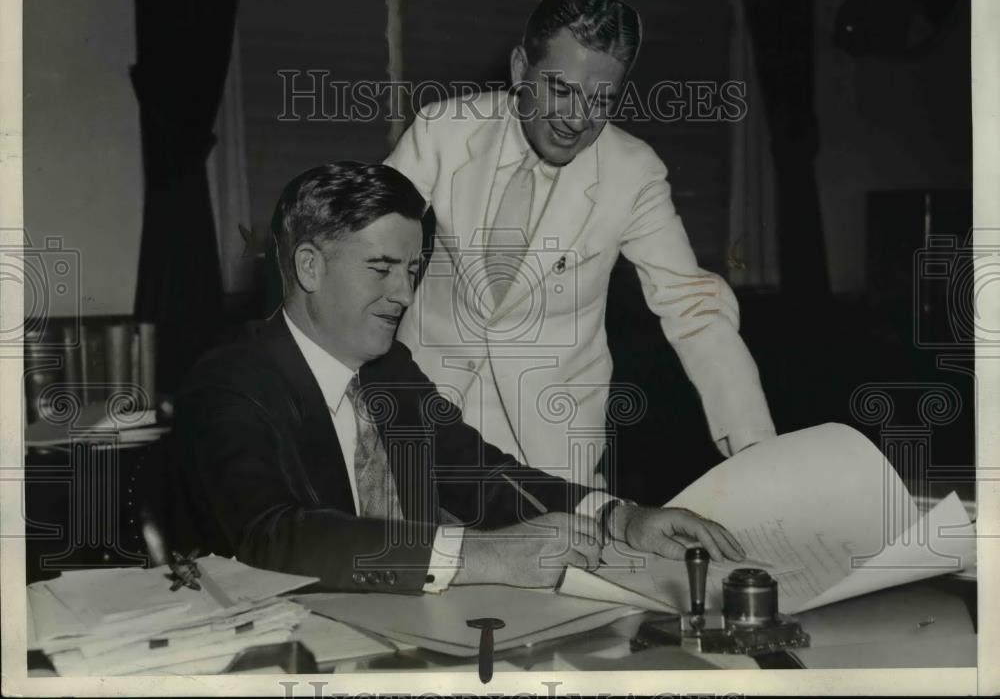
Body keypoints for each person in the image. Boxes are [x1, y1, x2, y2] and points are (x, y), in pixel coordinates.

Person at [166, 162, 746, 594]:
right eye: (382, 269)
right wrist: (482, 557)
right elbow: (274, 537)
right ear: (310, 266)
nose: (404, 295)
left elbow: (480, 472)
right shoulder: (229, 382)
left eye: (414, 271)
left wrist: (621, 517)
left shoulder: (390, 371)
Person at [385, 0, 776, 487]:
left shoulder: (634, 172)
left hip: (551, 458)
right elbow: (363, 249)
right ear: (520, 68)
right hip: (422, 436)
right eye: (562, 89)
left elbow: (694, 308)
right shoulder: (443, 130)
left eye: (601, 99)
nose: (578, 119)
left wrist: (757, 451)